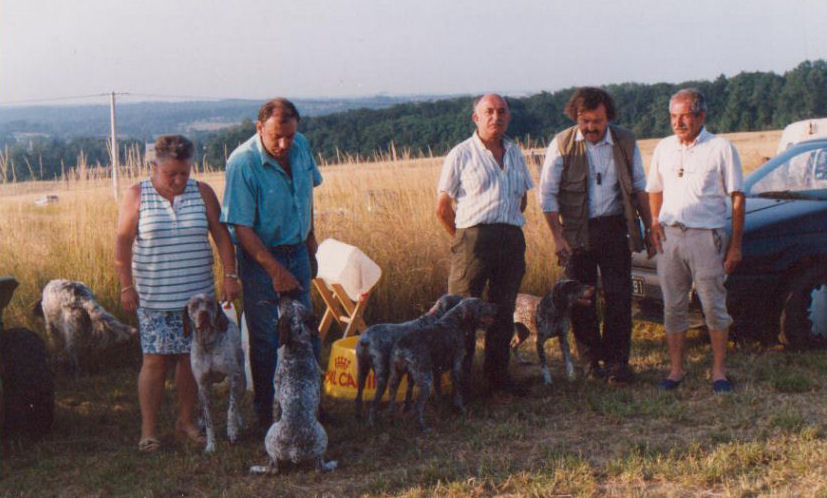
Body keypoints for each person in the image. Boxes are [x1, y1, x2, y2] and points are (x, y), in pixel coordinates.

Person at [115, 134, 241, 453]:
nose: (179, 179)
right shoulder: (136, 195)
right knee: (155, 362)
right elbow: (122, 243)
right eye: (171, 173)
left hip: (198, 302)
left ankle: (186, 422)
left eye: (184, 172)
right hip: (155, 299)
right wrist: (126, 285)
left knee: (190, 361)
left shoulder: (203, 193)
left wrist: (230, 275)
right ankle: (149, 432)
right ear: (153, 167)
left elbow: (222, 238)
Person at [538, 87, 654, 384]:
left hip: (615, 228)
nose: (590, 127)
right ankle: (591, 363)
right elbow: (547, 195)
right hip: (577, 231)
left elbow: (640, 187)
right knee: (581, 300)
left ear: (609, 118)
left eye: (597, 121)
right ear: (576, 117)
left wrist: (650, 228)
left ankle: (617, 363)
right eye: (584, 120)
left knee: (619, 296)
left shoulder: (626, 140)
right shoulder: (561, 144)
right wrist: (557, 237)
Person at [220, 98, 322, 430]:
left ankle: (309, 407)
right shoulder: (242, 163)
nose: (284, 144)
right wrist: (274, 270)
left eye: (290, 136)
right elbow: (241, 227)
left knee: (305, 331)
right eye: (277, 136)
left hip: (298, 248)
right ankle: (267, 414)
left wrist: (310, 243)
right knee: (265, 338)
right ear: (259, 128)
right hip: (260, 258)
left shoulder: (301, 146)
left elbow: (306, 198)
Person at [647, 88, 744, 393]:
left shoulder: (721, 148)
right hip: (671, 238)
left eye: (684, 115)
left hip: (707, 238)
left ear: (701, 115)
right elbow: (654, 188)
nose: (678, 122)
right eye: (673, 116)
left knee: (713, 306)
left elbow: (738, 199)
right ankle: (676, 370)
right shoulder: (663, 148)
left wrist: (735, 246)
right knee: (673, 307)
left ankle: (718, 372)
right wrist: (654, 220)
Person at [436, 93, 534, 395]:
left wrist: (504, 227)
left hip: (511, 239)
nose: (496, 117)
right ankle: (459, 385)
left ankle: (497, 377)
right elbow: (442, 208)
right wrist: (464, 240)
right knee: (461, 313)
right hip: (472, 241)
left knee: (503, 312)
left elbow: (523, 199)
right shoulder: (461, 154)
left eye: (502, 111)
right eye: (488, 112)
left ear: (509, 116)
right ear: (476, 118)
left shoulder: (516, 153)